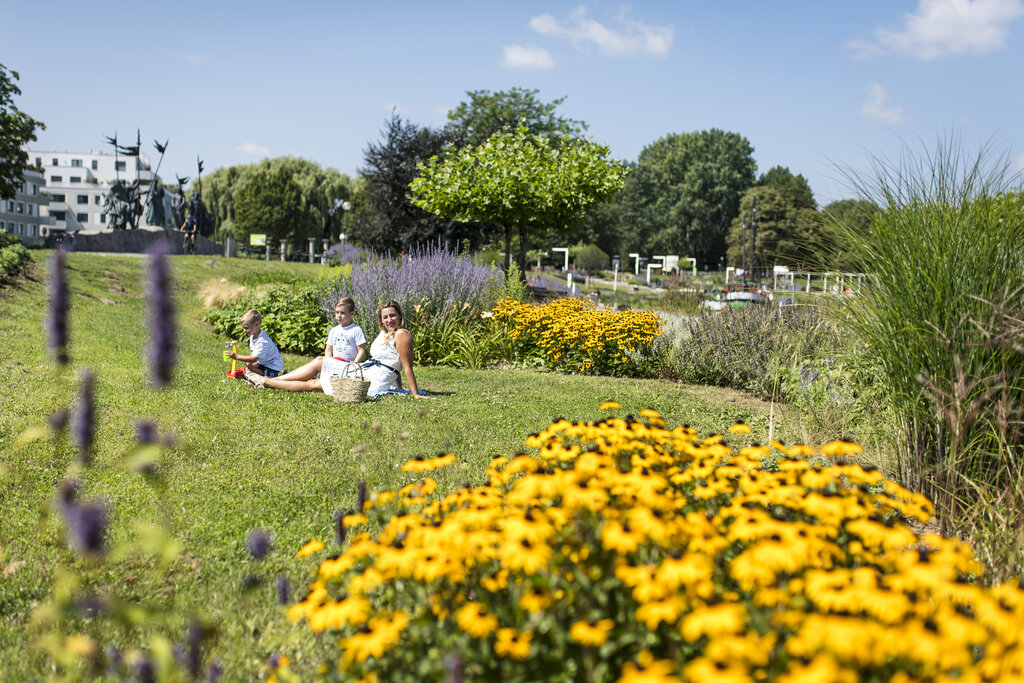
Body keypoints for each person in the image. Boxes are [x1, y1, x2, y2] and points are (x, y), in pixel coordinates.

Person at [247, 301, 427, 399]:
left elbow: (405, 366)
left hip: (374, 378)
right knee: (320, 361)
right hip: (368, 369)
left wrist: (415, 393)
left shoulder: (402, 334)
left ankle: (266, 381)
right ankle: (272, 379)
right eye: (385, 317)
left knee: (316, 384)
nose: (389, 320)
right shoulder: (386, 333)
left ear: (400, 316)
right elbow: (390, 360)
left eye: (392, 316)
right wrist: (398, 386)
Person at [229, 309, 284, 378]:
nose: (244, 331)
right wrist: (249, 365)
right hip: (263, 362)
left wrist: (236, 356)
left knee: (268, 381)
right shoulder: (252, 336)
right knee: (248, 363)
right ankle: (258, 373)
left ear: (256, 324)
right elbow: (253, 352)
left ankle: (282, 376)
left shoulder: (263, 341)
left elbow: (254, 358)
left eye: (246, 328)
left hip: (272, 365)